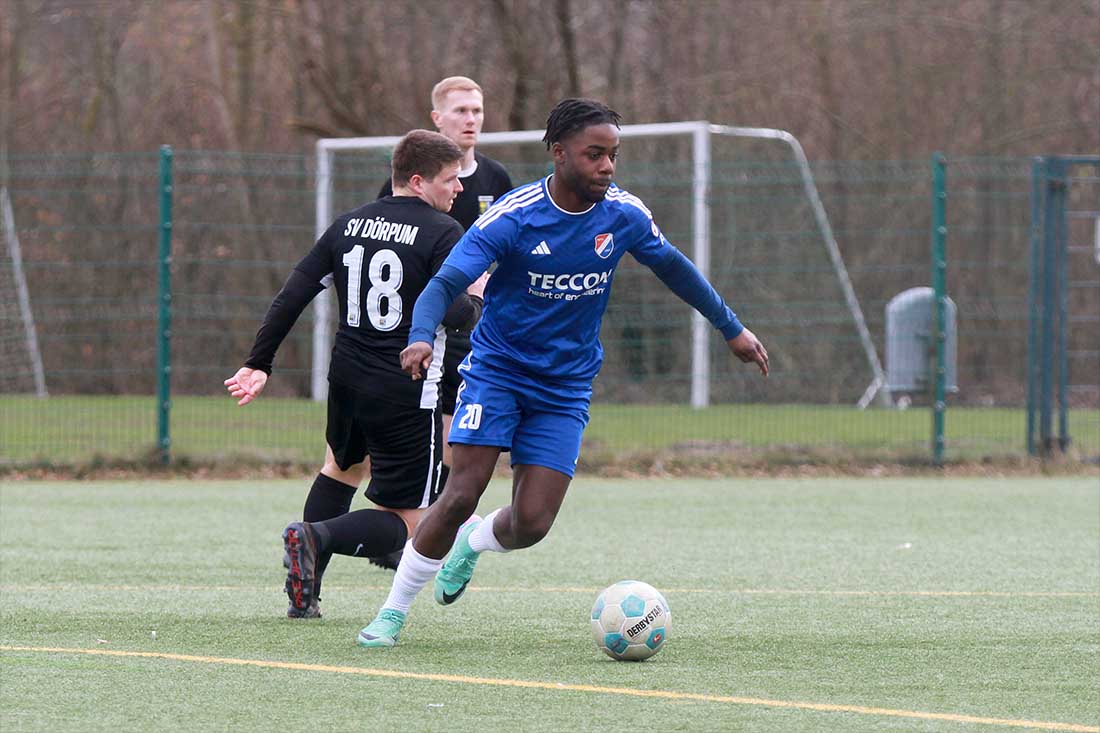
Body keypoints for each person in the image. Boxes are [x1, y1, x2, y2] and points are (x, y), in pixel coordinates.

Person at [356, 99, 769, 647]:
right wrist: (418, 336)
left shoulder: (624, 215)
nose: (607, 166)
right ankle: (392, 612)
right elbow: (445, 283)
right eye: (594, 154)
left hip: (565, 385)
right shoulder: (513, 215)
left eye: (613, 155)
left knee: (532, 523)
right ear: (559, 153)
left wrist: (731, 328)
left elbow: (676, 268)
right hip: (498, 372)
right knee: (460, 494)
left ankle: (473, 544)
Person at [223, 129, 487, 619]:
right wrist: (477, 293)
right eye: (450, 179)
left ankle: (305, 592)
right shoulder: (443, 232)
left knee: (340, 471)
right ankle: (315, 536)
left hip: (346, 378)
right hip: (405, 386)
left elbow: (293, 293)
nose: (459, 188)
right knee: (412, 522)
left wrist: (259, 361)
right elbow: (456, 315)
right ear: (417, 180)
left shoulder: (348, 223)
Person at [370, 76, 513, 572]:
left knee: (457, 441)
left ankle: (425, 535)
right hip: (426, 331)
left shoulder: (496, 179)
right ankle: (403, 534)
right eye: (460, 111)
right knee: (408, 440)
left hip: (478, 331)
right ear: (438, 119)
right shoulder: (411, 184)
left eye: (477, 110)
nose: (471, 119)